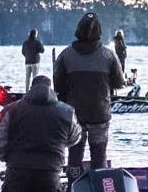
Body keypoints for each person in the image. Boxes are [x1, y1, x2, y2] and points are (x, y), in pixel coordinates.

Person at [0, 74, 81, 192]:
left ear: (31, 88)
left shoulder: (11, 110)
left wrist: (7, 158)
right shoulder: (67, 111)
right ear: (51, 88)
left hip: (17, 172)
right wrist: (60, 146)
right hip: (50, 172)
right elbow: (75, 137)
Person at [54, 13, 129, 172]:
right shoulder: (108, 55)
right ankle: (100, 182)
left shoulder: (65, 55)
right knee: (99, 156)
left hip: (74, 114)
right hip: (100, 113)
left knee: (74, 154)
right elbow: (119, 82)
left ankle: (73, 182)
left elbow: (58, 85)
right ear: (99, 31)